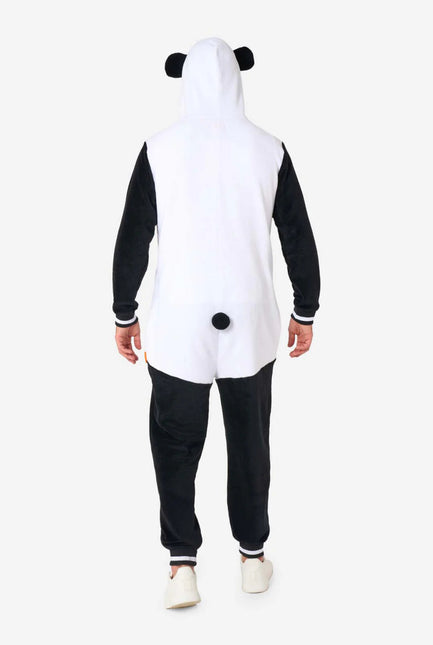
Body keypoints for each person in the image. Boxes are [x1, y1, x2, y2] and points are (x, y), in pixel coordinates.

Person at [112, 37, 320, 609]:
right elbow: (298, 235)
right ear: (238, 77)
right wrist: (305, 309)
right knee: (251, 442)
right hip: (251, 321)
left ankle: (182, 567)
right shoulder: (269, 149)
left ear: (185, 80)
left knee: (175, 444)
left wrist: (124, 311)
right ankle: (253, 559)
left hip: (178, 325)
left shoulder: (158, 149)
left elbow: (132, 237)